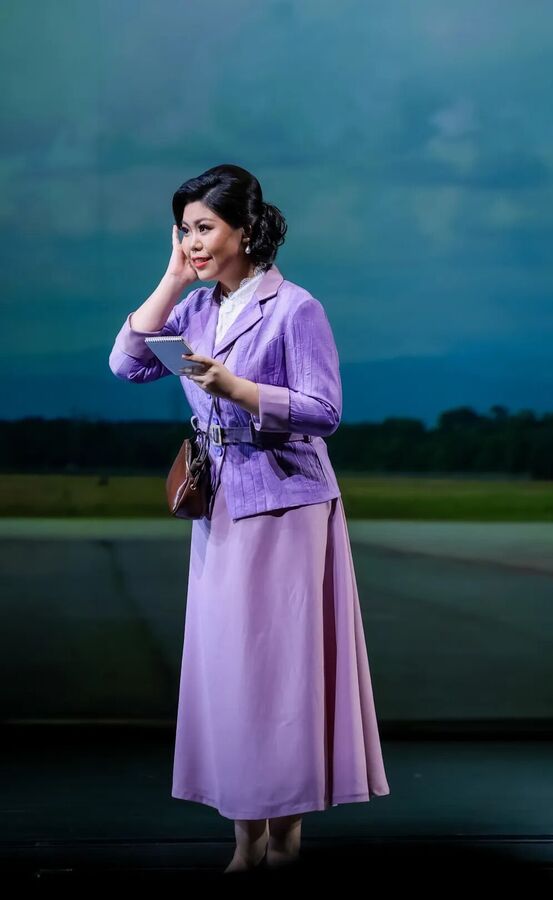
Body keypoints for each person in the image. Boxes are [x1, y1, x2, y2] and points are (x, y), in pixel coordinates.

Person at [108, 163, 390, 874]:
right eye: (184, 230)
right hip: (221, 506)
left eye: (204, 228)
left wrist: (239, 388)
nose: (193, 242)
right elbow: (126, 362)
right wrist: (173, 277)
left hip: (287, 503)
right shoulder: (197, 309)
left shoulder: (296, 308)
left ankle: (284, 839)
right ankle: (245, 840)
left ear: (245, 229)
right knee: (232, 669)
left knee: (280, 672)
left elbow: (325, 411)